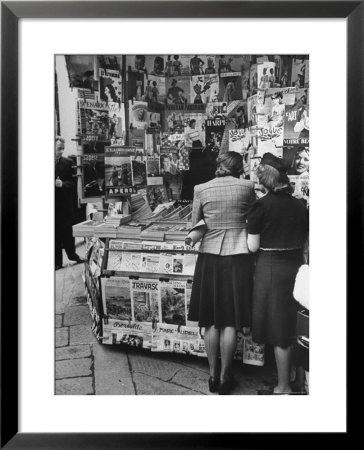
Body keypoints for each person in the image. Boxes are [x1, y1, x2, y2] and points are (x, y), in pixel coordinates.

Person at [188, 152, 255, 395]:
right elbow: (253, 220)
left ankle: (212, 375)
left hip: (210, 258)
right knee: (230, 321)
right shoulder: (247, 187)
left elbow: (196, 223)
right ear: (238, 167)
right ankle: (227, 376)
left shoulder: (201, 188)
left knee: (210, 320)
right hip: (238, 257)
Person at [247, 152, 309, 394]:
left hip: (271, 270)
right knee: (297, 326)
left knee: (279, 330)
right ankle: (298, 382)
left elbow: (252, 246)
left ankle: (282, 387)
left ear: (265, 180)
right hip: (296, 267)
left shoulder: (260, 206)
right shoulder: (300, 205)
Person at [55, 136, 84, 270]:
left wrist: (63, 184)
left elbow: (74, 183)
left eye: (62, 149)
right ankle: (56, 262)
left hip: (64, 205)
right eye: (58, 149)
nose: (61, 152)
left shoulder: (67, 163)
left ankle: (73, 256)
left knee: (67, 233)